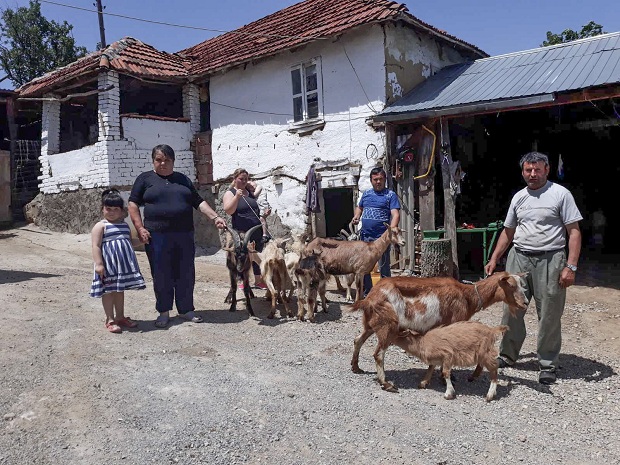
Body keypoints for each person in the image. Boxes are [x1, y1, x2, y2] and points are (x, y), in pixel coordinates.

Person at [484, 151, 582, 385]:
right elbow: (508, 231)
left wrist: (571, 266)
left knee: (549, 312)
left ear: (547, 169)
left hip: (551, 259)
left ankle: (547, 363)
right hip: (519, 257)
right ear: (522, 172)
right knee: (511, 307)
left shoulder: (561, 194)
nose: (533, 174)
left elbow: (574, 232)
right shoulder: (519, 197)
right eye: (528, 170)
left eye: (537, 169)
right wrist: (494, 258)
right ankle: (508, 355)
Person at [128, 144, 227, 328]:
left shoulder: (183, 179)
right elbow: (133, 204)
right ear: (153, 161)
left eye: (167, 160)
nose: (163, 163)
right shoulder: (145, 179)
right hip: (157, 236)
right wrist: (140, 228)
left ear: (173, 161)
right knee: (161, 273)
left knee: (186, 272)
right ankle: (164, 312)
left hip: (184, 234)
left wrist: (215, 217)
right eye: (159, 160)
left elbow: (198, 202)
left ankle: (186, 310)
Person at [90, 189, 146, 333]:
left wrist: (142, 241)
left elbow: (129, 242)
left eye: (116, 209)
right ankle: (110, 319)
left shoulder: (125, 225)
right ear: (102, 209)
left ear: (122, 211)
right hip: (108, 266)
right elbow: (95, 246)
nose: (112, 212)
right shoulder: (100, 226)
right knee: (108, 292)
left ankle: (120, 317)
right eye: (108, 209)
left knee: (119, 291)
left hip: (121, 267)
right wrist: (99, 264)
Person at [352, 167, 401, 296]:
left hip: (381, 239)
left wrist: (390, 231)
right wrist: (357, 216)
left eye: (381, 179)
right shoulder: (366, 194)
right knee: (365, 266)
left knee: (383, 266)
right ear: (371, 180)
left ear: (385, 180)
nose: (378, 182)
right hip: (366, 237)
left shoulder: (390, 195)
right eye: (375, 179)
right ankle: (368, 293)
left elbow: (395, 215)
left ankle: (386, 294)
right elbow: (359, 207)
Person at [222, 168, 270, 290]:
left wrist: (264, 215)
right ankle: (244, 281)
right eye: (241, 179)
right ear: (235, 179)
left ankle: (258, 281)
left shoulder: (249, 192)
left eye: (246, 179)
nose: (244, 181)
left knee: (256, 254)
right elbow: (228, 210)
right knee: (245, 257)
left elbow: (255, 210)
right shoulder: (230, 193)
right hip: (242, 233)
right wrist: (236, 198)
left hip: (256, 230)